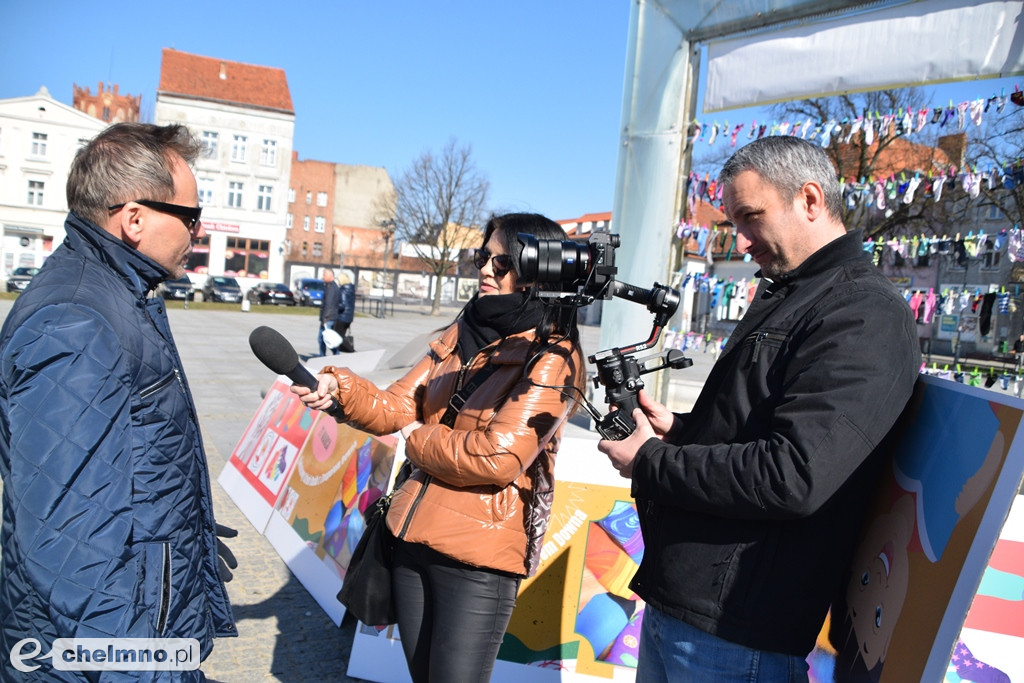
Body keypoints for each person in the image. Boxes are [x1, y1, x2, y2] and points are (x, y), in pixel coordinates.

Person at [598, 136, 920, 682]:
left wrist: (650, 460)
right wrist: (680, 431)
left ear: (810, 199)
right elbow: (752, 429)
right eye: (734, 223)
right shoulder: (790, 293)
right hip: (685, 606)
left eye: (751, 217)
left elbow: (793, 474)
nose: (741, 242)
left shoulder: (864, 312)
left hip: (737, 631)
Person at [293, 212, 587, 682]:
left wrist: (417, 438)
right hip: (411, 538)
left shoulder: (553, 355)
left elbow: (498, 458)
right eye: (481, 257)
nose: (485, 269)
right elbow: (397, 404)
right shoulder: (461, 330)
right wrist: (340, 389)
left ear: (538, 270)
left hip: (478, 558)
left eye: (502, 262)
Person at [0, 122, 235, 680]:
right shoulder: (75, 321)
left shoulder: (117, 295)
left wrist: (184, 533)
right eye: (191, 216)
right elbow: (71, 549)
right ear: (134, 219)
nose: (198, 232)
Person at [318, 267, 340, 355]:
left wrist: (325, 319)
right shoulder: (329, 286)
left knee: (324, 339)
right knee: (325, 339)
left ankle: (332, 355)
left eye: (324, 275)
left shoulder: (331, 288)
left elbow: (329, 304)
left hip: (328, 318)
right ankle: (333, 355)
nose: (323, 277)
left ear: (331, 276)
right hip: (329, 317)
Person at [335, 271, 356, 352]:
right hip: (348, 317)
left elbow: (343, 305)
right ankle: (343, 351)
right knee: (340, 336)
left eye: (338, 279)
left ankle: (352, 351)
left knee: (338, 337)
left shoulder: (343, 290)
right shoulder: (350, 289)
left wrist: (334, 306)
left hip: (342, 317)